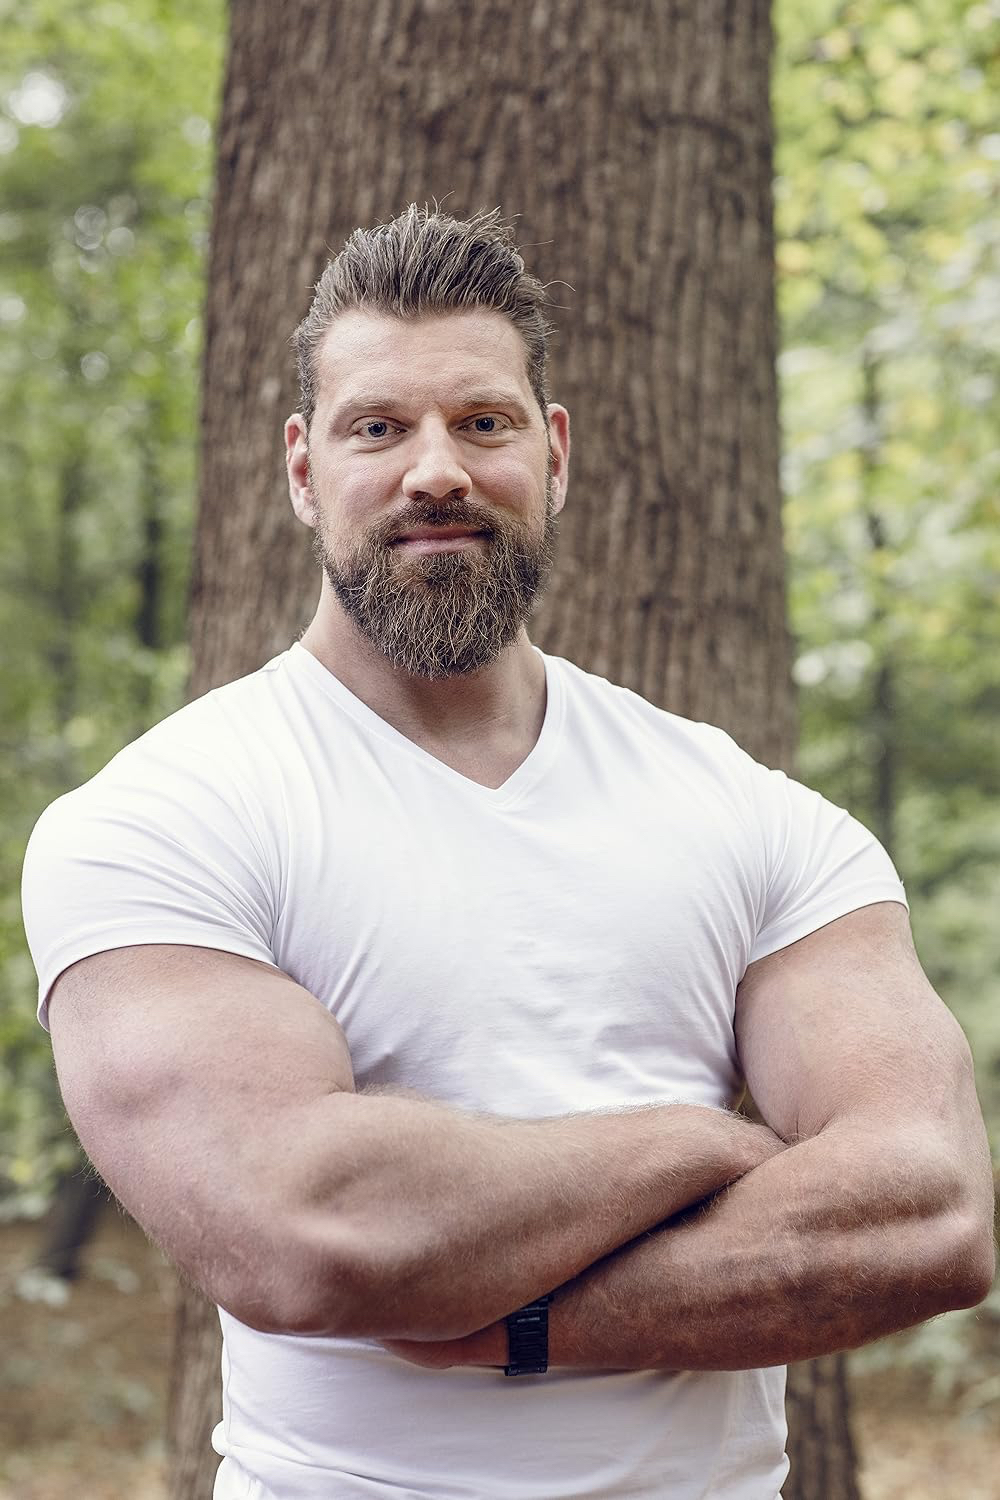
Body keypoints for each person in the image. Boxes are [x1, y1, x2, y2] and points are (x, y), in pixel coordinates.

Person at [21, 205, 994, 1500]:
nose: (437, 470)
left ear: (555, 452)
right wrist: (703, 1146)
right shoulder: (162, 819)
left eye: (483, 423)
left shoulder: (751, 814)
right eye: (378, 428)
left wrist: (513, 1324)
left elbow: (930, 1213)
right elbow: (307, 1230)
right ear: (304, 470)